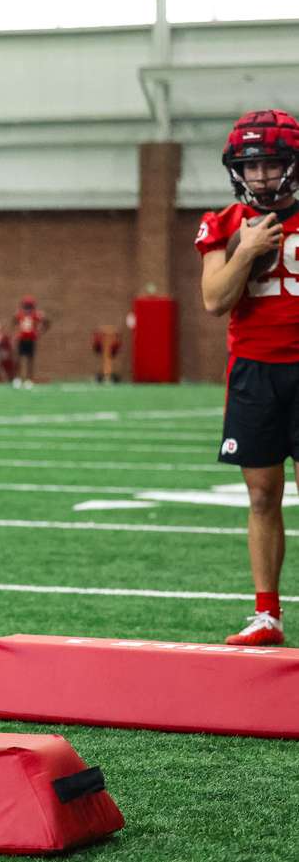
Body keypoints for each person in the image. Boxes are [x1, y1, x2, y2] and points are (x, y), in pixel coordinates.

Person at [195, 109, 299, 646]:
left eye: (272, 163)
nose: (260, 176)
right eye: (250, 165)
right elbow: (214, 299)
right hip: (255, 371)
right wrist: (250, 250)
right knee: (262, 497)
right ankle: (268, 615)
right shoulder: (224, 222)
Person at [13, 295, 49, 388]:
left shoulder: (36, 314)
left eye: (29, 306)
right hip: (22, 339)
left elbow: (46, 322)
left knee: (30, 360)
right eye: (26, 306)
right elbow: (14, 322)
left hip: (31, 340)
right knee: (19, 359)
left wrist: (39, 332)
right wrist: (17, 333)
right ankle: (18, 379)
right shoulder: (20, 314)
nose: (27, 308)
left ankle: (29, 379)